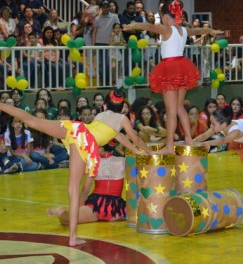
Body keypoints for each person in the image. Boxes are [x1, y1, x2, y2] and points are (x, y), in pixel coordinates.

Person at [0, 89, 151, 246]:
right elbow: (137, 140)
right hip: (85, 141)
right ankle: (72, 237)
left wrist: (137, 150)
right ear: (123, 109)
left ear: (105, 106)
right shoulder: (122, 119)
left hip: (74, 128)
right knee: (73, 190)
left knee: (32, 120)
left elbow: (121, 138)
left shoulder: (100, 116)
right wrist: (151, 153)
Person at [123, 0, 223, 154]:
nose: (162, 20)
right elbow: (196, 32)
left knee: (171, 111)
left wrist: (134, 25)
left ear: (167, 18)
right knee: (179, 107)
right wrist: (210, 31)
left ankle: (169, 146)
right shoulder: (183, 30)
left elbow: (149, 26)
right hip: (182, 67)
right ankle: (189, 139)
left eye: (163, 17)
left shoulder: (166, 29)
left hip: (170, 69)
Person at [47, 141, 126, 225]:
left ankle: (62, 212)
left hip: (96, 204)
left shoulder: (93, 163)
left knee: (68, 220)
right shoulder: (122, 161)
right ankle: (64, 213)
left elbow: (85, 190)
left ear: (101, 148)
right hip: (116, 206)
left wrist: (75, 209)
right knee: (130, 215)